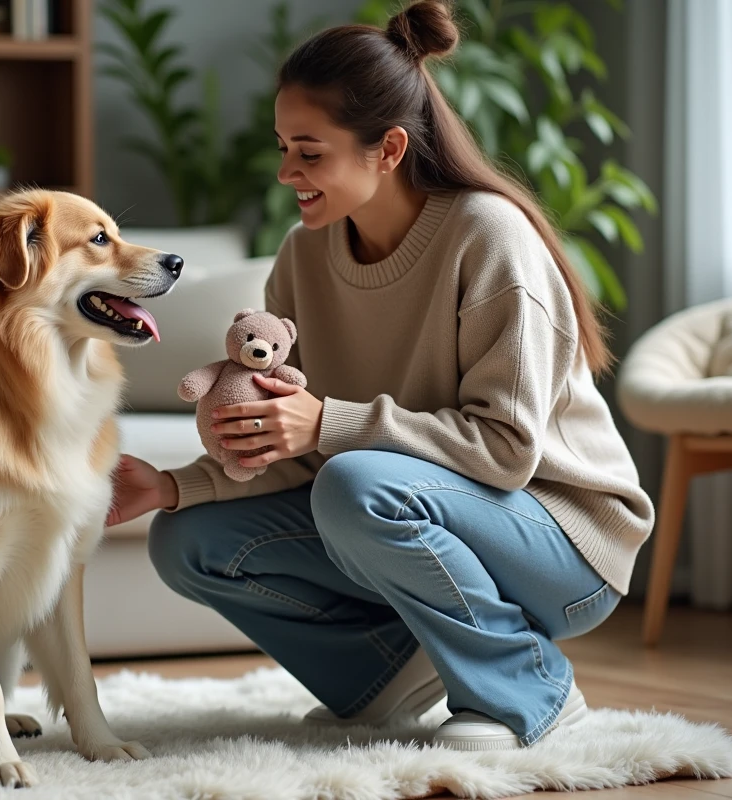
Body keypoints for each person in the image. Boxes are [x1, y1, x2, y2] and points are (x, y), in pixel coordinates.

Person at [105, 0, 655, 751]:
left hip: (561, 540)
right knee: (187, 541)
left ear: (388, 148)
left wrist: (328, 421)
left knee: (355, 482)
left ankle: (529, 687)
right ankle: (386, 674)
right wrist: (172, 486)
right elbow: (298, 444)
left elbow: (505, 451)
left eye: (309, 153)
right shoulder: (303, 255)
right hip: (419, 507)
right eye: (283, 147)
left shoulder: (488, 237)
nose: (286, 173)